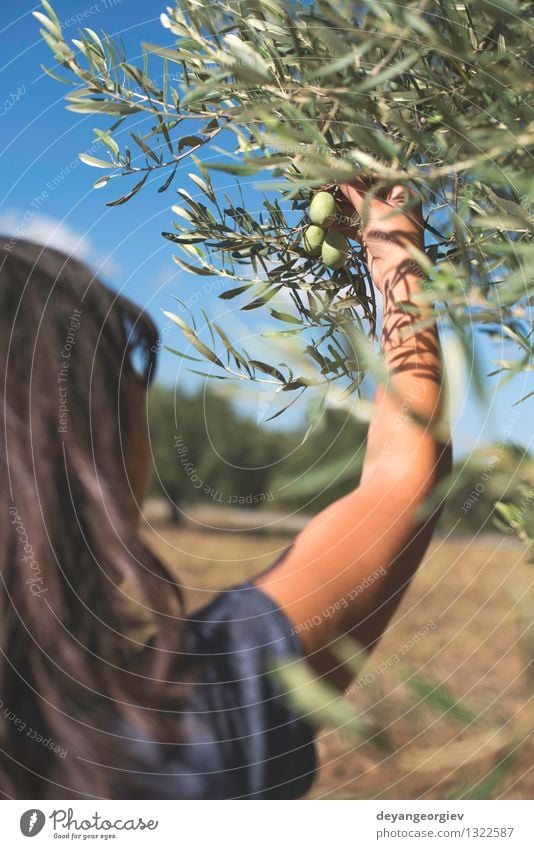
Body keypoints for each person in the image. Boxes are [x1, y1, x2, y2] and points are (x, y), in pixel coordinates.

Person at [0, 180, 451, 800]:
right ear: (81, 458)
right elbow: (404, 481)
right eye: (125, 395)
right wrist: (399, 262)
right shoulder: (184, 727)